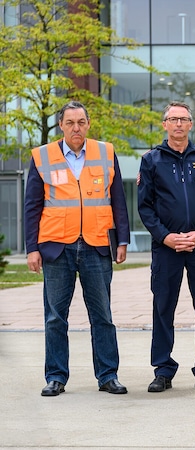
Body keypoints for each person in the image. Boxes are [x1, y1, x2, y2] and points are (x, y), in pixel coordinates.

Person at [24, 100, 130, 397]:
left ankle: (108, 375)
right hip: (57, 247)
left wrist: (121, 241)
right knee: (55, 316)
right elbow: (32, 206)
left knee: (103, 316)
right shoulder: (42, 156)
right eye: (70, 123)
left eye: (81, 122)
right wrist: (32, 247)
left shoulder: (105, 152)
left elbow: (118, 199)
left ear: (88, 123)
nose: (76, 128)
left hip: (97, 245)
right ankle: (56, 376)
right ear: (61, 125)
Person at [137, 101, 195, 393]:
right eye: (172, 119)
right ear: (164, 124)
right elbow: (145, 206)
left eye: (183, 119)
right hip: (166, 247)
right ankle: (163, 369)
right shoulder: (151, 160)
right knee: (163, 307)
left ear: (191, 124)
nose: (178, 124)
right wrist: (166, 237)